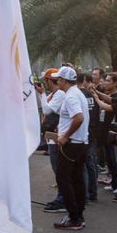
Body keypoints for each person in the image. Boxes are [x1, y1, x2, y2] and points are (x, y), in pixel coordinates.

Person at [49, 66, 89, 230]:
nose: (57, 82)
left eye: (59, 79)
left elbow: (78, 118)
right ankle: (78, 214)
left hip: (71, 144)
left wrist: (65, 136)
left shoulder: (71, 96)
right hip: (80, 143)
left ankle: (74, 217)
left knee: (64, 179)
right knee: (77, 179)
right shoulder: (77, 93)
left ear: (64, 81)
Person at [35, 68, 66, 213]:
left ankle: (63, 199)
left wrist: (41, 94)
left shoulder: (59, 94)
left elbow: (47, 110)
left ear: (48, 81)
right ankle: (61, 197)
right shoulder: (54, 94)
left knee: (59, 169)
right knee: (57, 169)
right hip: (52, 136)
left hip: (56, 136)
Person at [79, 73, 99, 202]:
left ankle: (84, 194)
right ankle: (93, 192)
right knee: (90, 164)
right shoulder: (91, 95)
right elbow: (96, 113)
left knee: (83, 165)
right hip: (92, 131)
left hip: (83, 133)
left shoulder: (77, 95)